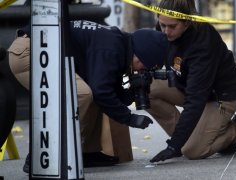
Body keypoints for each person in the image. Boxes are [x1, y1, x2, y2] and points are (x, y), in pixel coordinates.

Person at [8, 20, 168, 170]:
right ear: (139, 55)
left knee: (91, 91)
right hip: (30, 53)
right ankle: (44, 154)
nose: (141, 71)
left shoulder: (120, 44)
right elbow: (101, 92)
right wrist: (130, 118)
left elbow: (111, 94)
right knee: (82, 94)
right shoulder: (111, 48)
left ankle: (86, 153)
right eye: (143, 67)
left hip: (41, 50)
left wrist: (133, 89)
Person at [147, 0, 236, 163]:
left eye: (172, 27)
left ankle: (234, 132)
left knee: (193, 151)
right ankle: (188, 136)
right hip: (187, 85)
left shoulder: (202, 45)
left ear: (187, 22)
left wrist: (173, 146)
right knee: (146, 88)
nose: (166, 32)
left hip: (219, 96)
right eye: (162, 25)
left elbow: (195, 100)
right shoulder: (166, 26)